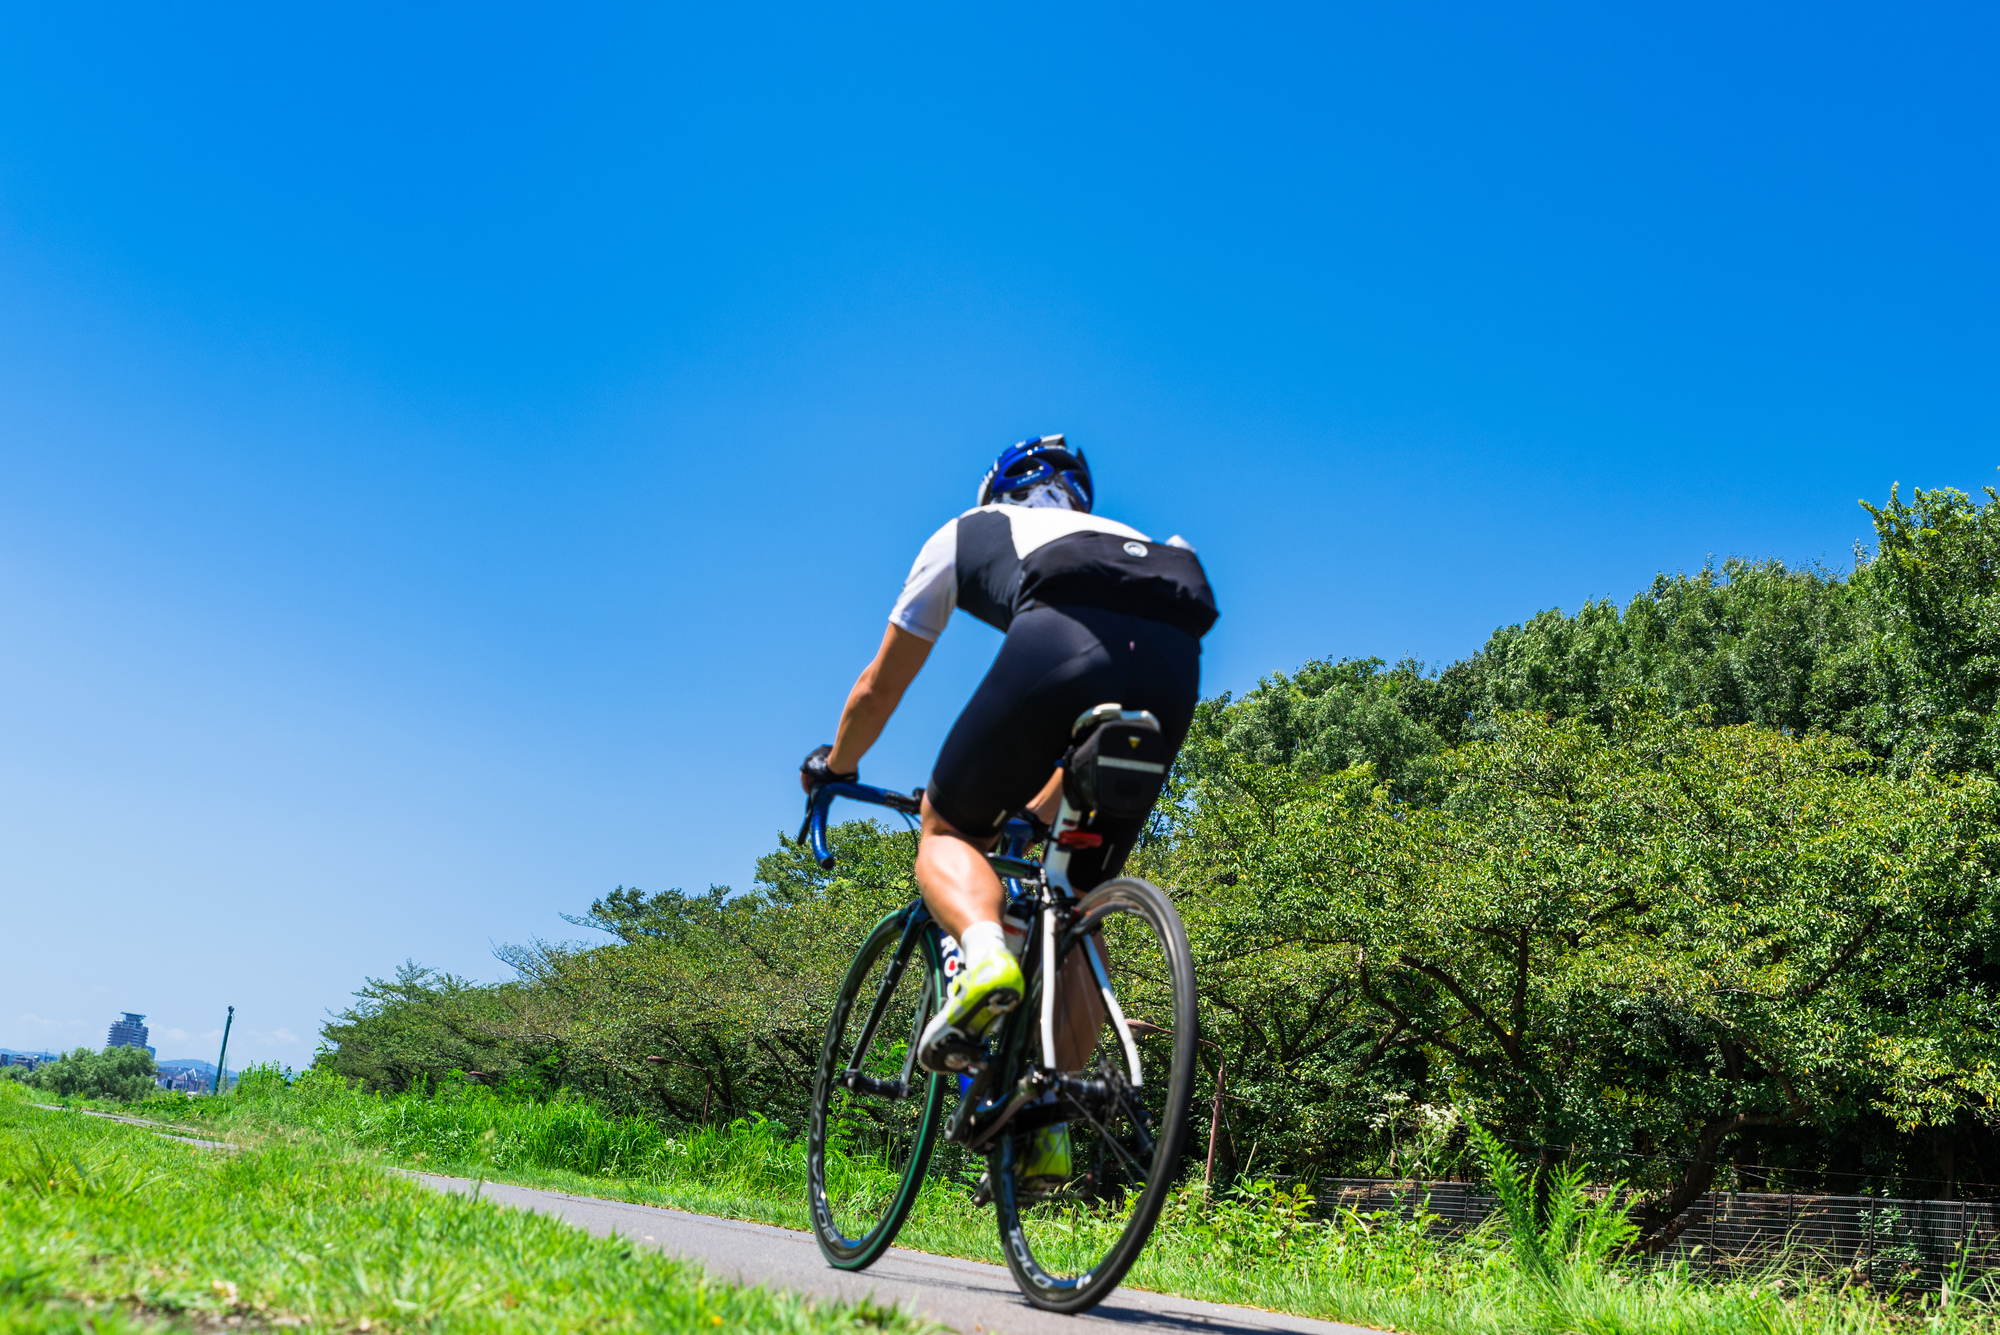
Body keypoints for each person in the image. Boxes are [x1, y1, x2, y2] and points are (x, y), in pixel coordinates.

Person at [800, 435, 1217, 1189]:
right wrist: (1035, 808)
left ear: (1000, 487)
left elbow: (877, 688)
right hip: (1173, 660)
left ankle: (985, 952)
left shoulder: (969, 528)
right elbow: (1082, 737)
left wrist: (835, 766)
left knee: (949, 829)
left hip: (1060, 640)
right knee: (1077, 900)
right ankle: (1045, 1125)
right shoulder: (1136, 541)